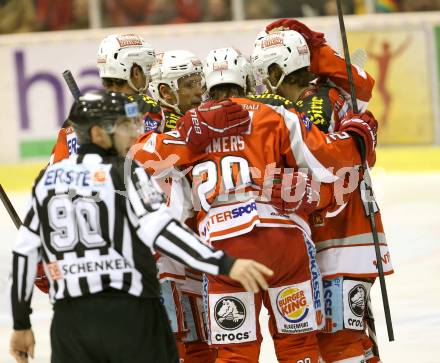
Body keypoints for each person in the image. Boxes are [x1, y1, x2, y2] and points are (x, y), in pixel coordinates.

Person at [132, 46, 378, 363]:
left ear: (207, 86)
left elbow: (139, 162)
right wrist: (359, 134)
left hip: (225, 248)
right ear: (249, 80)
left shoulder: (192, 124)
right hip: (285, 243)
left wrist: (184, 138)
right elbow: (327, 161)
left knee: (235, 352)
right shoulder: (276, 113)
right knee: (298, 346)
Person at [8, 90, 273, 363]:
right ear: (99, 133)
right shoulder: (125, 171)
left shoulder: (48, 179)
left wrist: (20, 323)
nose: (134, 134)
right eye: (124, 126)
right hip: (130, 317)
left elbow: (24, 254)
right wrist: (224, 264)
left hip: (70, 326)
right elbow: (162, 230)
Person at [254, 20, 394, 362]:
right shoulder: (330, 94)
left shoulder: (311, 105)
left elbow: (323, 167)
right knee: (342, 335)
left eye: (263, 70)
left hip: (338, 237)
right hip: (332, 238)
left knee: (338, 340)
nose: (259, 79)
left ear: (278, 69)